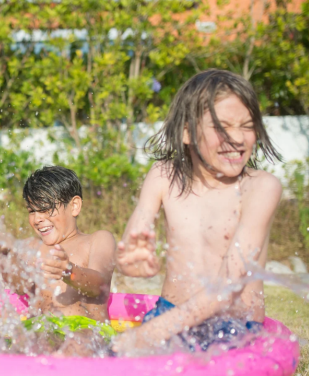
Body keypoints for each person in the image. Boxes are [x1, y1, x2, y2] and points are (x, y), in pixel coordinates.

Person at [112, 69, 282, 355]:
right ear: (187, 131)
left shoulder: (261, 188)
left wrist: (150, 332)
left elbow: (231, 283)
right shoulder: (163, 175)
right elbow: (135, 234)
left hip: (234, 328)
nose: (237, 138)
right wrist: (131, 262)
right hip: (168, 311)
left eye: (247, 125)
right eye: (222, 127)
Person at [8, 166, 117, 356]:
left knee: (78, 346)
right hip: (42, 328)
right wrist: (6, 255)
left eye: (45, 209)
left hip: (87, 329)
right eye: (32, 211)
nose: (37, 219)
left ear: (74, 206)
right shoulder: (32, 248)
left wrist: (69, 271)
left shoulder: (97, 240)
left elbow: (100, 285)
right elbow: (19, 286)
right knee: (23, 344)